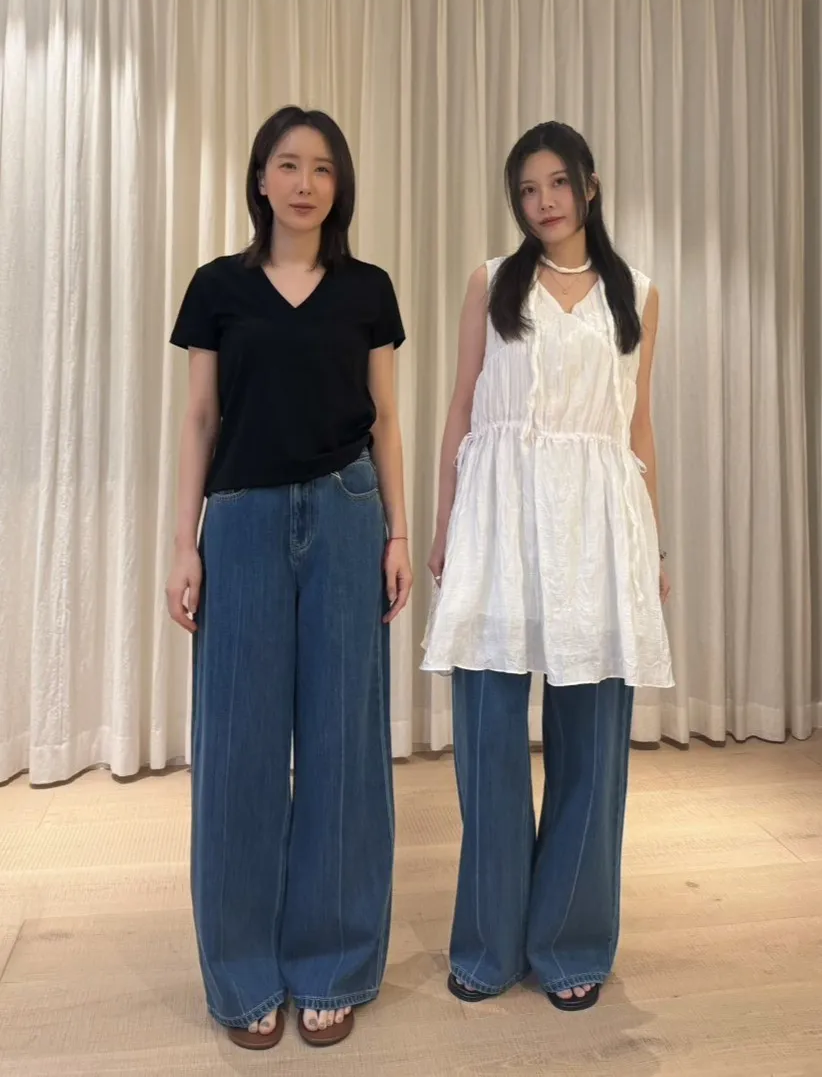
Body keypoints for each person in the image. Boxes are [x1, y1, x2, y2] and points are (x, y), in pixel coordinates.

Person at [165, 106, 411, 1050]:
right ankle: (242, 973)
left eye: (322, 168)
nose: (305, 183)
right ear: (260, 179)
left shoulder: (368, 289)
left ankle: (333, 965)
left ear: (339, 186)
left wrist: (397, 531)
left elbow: (385, 419)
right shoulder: (217, 287)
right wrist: (184, 543)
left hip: (348, 515)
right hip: (242, 520)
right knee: (239, 751)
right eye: (288, 164)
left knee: (346, 748)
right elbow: (200, 418)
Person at [421, 120, 673, 1011]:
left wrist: (652, 545)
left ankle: (570, 943)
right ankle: (490, 943)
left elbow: (637, 427)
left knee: (592, 748)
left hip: (599, 528)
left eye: (558, 183)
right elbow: (460, 408)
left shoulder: (637, 293)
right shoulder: (491, 281)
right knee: (488, 738)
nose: (543, 203)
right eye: (527, 190)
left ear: (589, 186)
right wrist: (446, 524)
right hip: (499, 519)